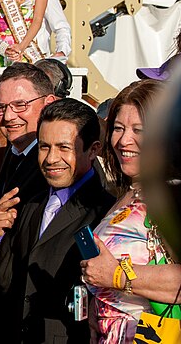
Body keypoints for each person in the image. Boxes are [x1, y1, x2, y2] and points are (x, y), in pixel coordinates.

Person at [0, 98, 114, 342]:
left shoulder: (105, 213)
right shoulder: (29, 204)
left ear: (94, 149)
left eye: (64, 148)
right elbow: (7, 284)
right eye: (44, 147)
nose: (51, 158)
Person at [79, 80, 181, 342]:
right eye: (118, 128)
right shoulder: (127, 194)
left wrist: (116, 275)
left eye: (139, 129)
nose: (124, 140)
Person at [0, 62, 57, 342]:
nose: (9, 116)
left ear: (49, 103)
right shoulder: (15, 152)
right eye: (2, 107)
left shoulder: (56, 169)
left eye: (20, 105)